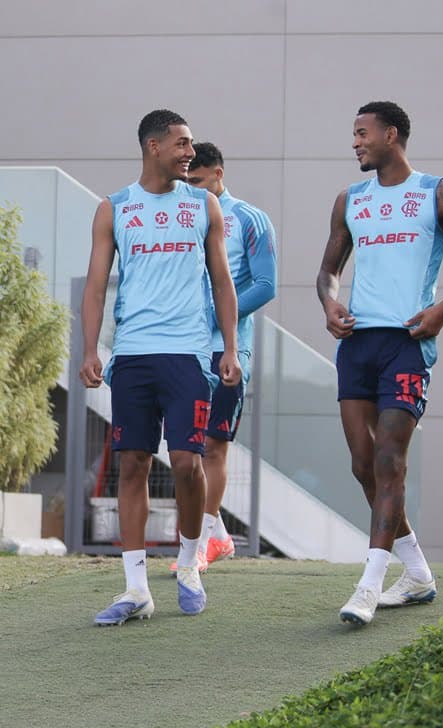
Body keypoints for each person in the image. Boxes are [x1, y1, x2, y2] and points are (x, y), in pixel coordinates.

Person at [317, 101, 443, 625]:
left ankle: (369, 585)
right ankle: (416, 571)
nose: (354, 142)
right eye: (353, 134)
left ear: (391, 135)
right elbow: (328, 271)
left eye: (362, 133)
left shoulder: (437, 193)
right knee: (361, 463)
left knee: (389, 462)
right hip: (357, 344)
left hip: (406, 342)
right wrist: (330, 304)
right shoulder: (349, 200)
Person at [80, 109, 241, 626]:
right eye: (182, 144)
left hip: (189, 355)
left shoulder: (204, 204)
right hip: (132, 356)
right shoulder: (114, 209)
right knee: (133, 464)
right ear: (154, 146)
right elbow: (96, 285)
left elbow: (222, 281)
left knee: (189, 463)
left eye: (191, 145)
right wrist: (90, 349)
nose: (190, 153)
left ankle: (190, 562)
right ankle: (135, 589)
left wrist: (231, 348)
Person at [172, 141, 278, 574]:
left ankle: (200, 544)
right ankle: (212, 534)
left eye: (198, 182)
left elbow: (266, 284)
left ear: (218, 173)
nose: (192, 190)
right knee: (184, 450)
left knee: (213, 445)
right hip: (180, 345)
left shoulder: (249, 219)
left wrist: (217, 315)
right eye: (186, 182)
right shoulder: (178, 214)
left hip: (226, 348)